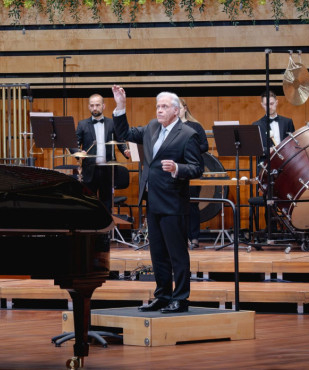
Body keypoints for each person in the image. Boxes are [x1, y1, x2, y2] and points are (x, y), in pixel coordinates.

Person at [111, 85, 203, 313]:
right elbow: (125, 134)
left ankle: (180, 298)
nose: (159, 110)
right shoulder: (152, 127)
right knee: (158, 253)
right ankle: (163, 295)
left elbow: (197, 168)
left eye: (164, 107)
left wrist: (178, 168)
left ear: (175, 110)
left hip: (173, 201)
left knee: (177, 254)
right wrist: (120, 107)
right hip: (152, 201)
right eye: (157, 106)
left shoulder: (188, 134)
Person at [73, 94, 128, 213]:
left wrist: (125, 151)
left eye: (97, 105)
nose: (95, 108)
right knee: (89, 203)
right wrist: (78, 152)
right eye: (92, 105)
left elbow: (120, 141)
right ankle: (91, 230)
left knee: (107, 203)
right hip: (89, 170)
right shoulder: (82, 124)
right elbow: (74, 144)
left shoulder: (112, 123)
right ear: (88, 107)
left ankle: (106, 231)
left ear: (103, 106)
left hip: (107, 170)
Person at [179, 97, 208, 249]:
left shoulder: (195, 126)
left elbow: (205, 145)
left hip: (192, 169)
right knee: (177, 204)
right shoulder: (169, 127)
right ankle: (180, 237)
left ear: (184, 108)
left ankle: (194, 237)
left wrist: (190, 148)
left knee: (192, 204)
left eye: (179, 107)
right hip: (175, 170)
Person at [253, 90, 296, 160]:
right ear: (262, 105)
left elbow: (293, 143)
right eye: (266, 104)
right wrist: (268, 150)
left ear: (276, 103)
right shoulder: (257, 125)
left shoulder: (287, 122)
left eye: (271, 104)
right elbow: (255, 148)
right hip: (266, 163)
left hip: (285, 162)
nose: (269, 107)